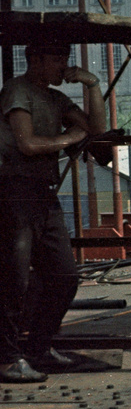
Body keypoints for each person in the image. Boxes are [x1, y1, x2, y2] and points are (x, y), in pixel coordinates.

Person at [0, 42, 105, 382]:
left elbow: (97, 131)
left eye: (66, 59)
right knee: (14, 279)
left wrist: (93, 85)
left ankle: (38, 349)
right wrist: (68, 138)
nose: (64, 66)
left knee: (64, 276)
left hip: (42, 194)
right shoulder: (18, 90)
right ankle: (6, 358)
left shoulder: (56, 98)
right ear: (36, 59)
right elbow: (27, 143)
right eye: (57, 58)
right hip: (12, 191)